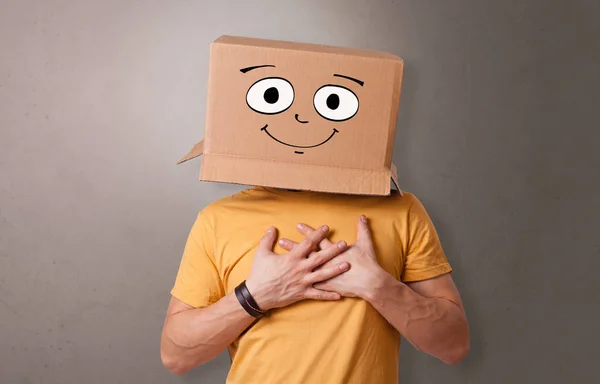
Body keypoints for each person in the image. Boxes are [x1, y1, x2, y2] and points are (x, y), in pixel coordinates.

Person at [160, 186, 470, 383]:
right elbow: (176, 356)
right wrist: (254, 296)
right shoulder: (219, 219)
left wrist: (379, 286)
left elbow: (453, 345)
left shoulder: (401, 210)